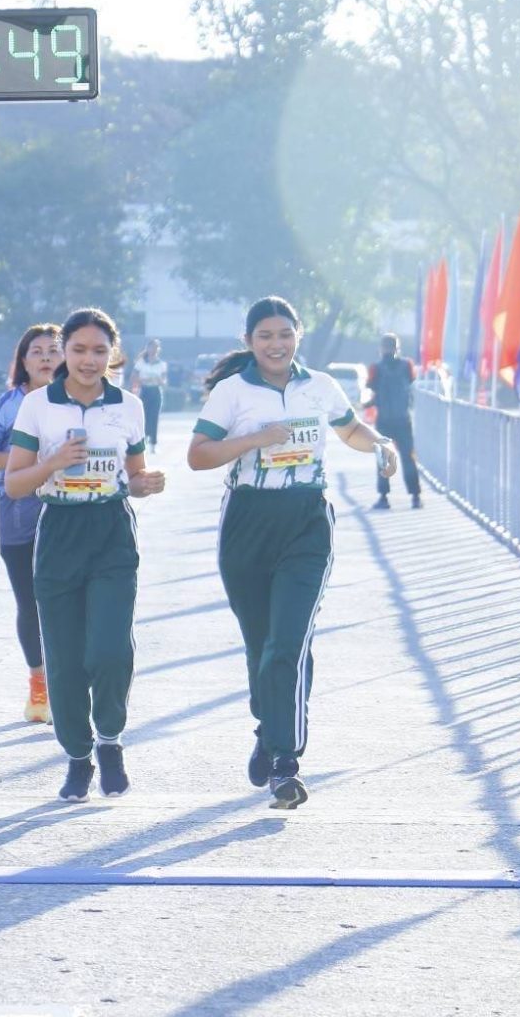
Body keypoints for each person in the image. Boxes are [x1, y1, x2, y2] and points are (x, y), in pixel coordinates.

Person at [188, 296, 401, 809]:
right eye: (265, 336)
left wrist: (380, 443)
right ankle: (268, 728)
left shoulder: (320, 386)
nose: (276, 344)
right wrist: (256, 439)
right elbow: (199, 455)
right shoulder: (232, 392)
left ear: (298, 335)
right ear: (248, 341)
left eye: (285, 334)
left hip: (306, 522)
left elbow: (349, 429)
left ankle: (286, 762)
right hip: (247, 522)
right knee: (260, 645)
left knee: (289, 641)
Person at [4, 307, 166, 802]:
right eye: (78, 350)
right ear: (65, 352)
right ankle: (78, 756)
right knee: (65, 658)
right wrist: (53, 462)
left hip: (111, 531)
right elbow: (15, 484)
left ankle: (110, 739)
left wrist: (145, 484)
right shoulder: (38, 406)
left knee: (111, 650)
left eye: (99, 351)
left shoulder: (128, 406)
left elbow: (134, 475)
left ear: (113, 354)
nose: (89, 360)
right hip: (59, 531)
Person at [0, 324, 63, 724]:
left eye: (53, 350)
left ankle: (67, 684)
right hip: (18, 516)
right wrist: (27, 460)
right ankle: (39, 685)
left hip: (69, 515)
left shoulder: (76, 402)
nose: (45, 357)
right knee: (30, 602)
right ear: (23, 361)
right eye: (36, 351)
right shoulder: (7, 405)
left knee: (67, 602)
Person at [365, 333, 422, 510]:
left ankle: (383, 497)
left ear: (381, 348)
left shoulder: (375, 368)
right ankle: (415, 496)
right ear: (398, 348)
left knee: (383, 459)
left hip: (384, 421)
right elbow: (411, 382)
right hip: (404, 419)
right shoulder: (407, 365)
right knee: (408, 457)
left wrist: (368, 404)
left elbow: (372, 388)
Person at [132, 340, 168, 452]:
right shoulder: (141, 363)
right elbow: (134, 376)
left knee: (154, 417)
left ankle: (153, 443)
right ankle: (144, 438)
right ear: (147, 348)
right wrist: (142, 380)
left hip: (155, 391)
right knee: (144, 416)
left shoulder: (162, 364)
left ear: (158, 350)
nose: (153, 350)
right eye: (151, 347)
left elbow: (164, 381)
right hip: (145, 390)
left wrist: (158, 380)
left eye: (155, 348)